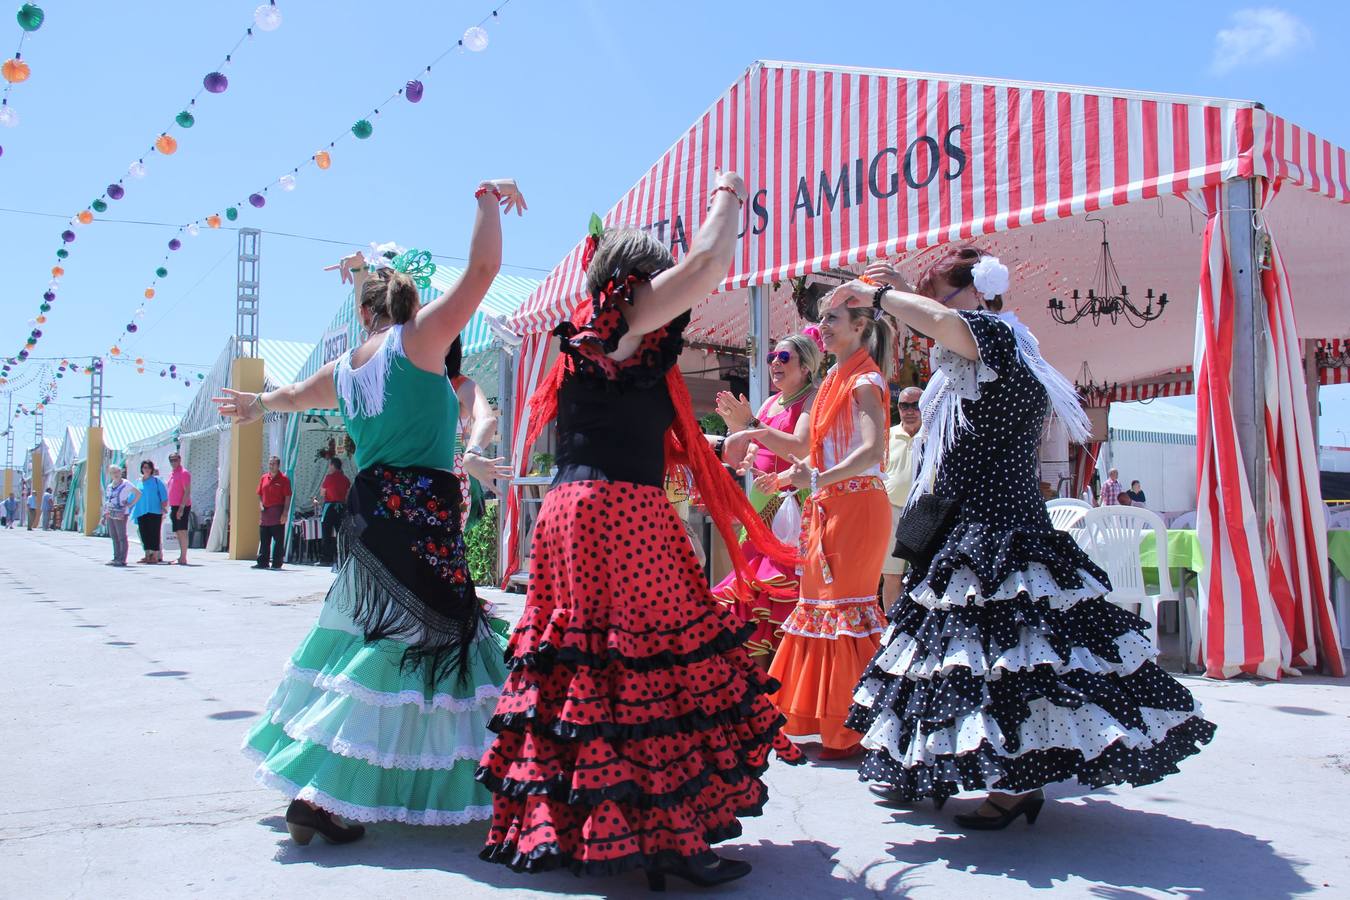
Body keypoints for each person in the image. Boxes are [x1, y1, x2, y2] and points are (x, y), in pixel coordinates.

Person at [476, 172, 802, 890]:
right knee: (654, 660)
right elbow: (712, 263)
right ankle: (676, 842)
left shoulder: (586, 337)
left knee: (591, 666)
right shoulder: (631, 312)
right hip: (620, 514)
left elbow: (622, 428)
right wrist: (728, 195)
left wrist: (720, 449)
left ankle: (595, 829)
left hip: (569, 512)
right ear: (634, 277)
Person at [840, 246, 1214, 827]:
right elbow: (945, 331)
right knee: (964, 656)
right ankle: (945, 767)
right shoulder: (984, 355)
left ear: (977, 292)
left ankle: (1015, 782)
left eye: (938, 293)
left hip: (997, 525)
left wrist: (886, 297)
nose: (930, 308)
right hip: (974, 520)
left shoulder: (996, 336)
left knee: (998, 658)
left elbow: (946, 322)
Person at [215, 176, 525, 845]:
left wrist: (256, 405)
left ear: (363, 316)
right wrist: (485, 201)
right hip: (417, 518)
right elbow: (483, 271)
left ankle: (500, 771)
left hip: (369, 520)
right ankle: (327, 792)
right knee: (410, 647)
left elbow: (294, 394)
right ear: (412, 308)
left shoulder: (347, 369)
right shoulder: (420, 343)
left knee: (398, 641)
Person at [722, 301, 895, 762]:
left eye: (832, 319)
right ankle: (829, 722)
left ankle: (859, 724)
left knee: (847, 614)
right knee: (819, 612)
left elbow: (871, 452)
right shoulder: (835, 383)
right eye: (822, 319)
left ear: (860, 327)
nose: (823, 326)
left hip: (856, 507)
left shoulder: (863, 380)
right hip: (827, 506)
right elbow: (814, 454)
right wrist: (789, 479)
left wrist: (811, 478)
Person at [710, 332, 823, 667]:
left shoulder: (812, 398)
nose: (775, 362)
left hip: (794, 509)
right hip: (761, 511)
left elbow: (799, 447)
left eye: (784, 357)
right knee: (754, 603)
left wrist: (751, 424)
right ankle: (759, 694)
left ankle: (786, 688)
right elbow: (752, 449)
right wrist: (740, 443)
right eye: (773, 355)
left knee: (786, 599)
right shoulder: (770, 403)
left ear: (806, 366)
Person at [444, 337, 508, 530]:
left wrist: (473, 452)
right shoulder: (409, 382)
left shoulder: (459, 385)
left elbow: (487, 419)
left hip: (448, 476)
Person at [881, 386, 923, 614]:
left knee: (925, 574)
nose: (910, 411)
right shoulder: (886, 437)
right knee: (891, 575)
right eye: (904, 405)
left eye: (915, 405)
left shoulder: (934, 435)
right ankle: (893, 629)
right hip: (891, 512)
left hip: (925, 514)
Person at [254, 456, 292, 570]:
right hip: (265, 513)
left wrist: (285, 513)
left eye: (273, 464)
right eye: (270, 463)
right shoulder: (264, 478)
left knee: (278, 540)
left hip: (277, 511)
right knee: (264, 539)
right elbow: (260, 493)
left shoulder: (284, 479)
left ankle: (276, 563)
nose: (271, 466)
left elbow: (287, 497)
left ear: (278, 465)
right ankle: (262, 562)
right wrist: (260, 504)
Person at [101, 465, 140, 567]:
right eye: (113, 472)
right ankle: (116, 557)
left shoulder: (126, 484)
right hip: (110, 512)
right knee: (114, 536)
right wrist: (104, 515)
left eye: (117, 471)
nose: (116, 474)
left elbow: (138, 493)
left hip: (120, 513)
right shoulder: (110, 486)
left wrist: (130, 504)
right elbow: (107, 501)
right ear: (110, 474)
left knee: (121, 535)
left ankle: (122, 559)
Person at [315, 457, 350, 567]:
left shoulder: (329, 478)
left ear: (333, 466)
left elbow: (322, 493)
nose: (329, 467)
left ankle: (326, 558)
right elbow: (348, 494)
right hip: (342, 507)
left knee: (326, 533)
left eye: (330, 465)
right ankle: (343, 557)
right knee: (342, 533)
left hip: (330, 507)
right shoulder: (345, 479)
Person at [132, 460, 169, 564]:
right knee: (144, 533)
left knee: (154, 533)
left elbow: (164, 496)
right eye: (144, 467)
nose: (146, 469)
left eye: (148, 467)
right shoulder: (138, 482)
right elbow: (132, 496)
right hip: (141, 511)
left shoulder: (157, 481)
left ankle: (155, 555)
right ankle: (147, 554)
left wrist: (164, 506)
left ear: (151, 469)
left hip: (155, 511)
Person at [166, 451, 192, 565]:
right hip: (174, 505)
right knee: (177, 531)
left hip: (182, 505)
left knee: (182, 531)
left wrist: (182, 507)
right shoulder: (172, 473)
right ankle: (181, 555)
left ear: (180, 460)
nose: (173, 462)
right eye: (171, 460)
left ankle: (183, 557)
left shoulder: (184, 473)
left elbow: (187, 490)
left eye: (175, 460)